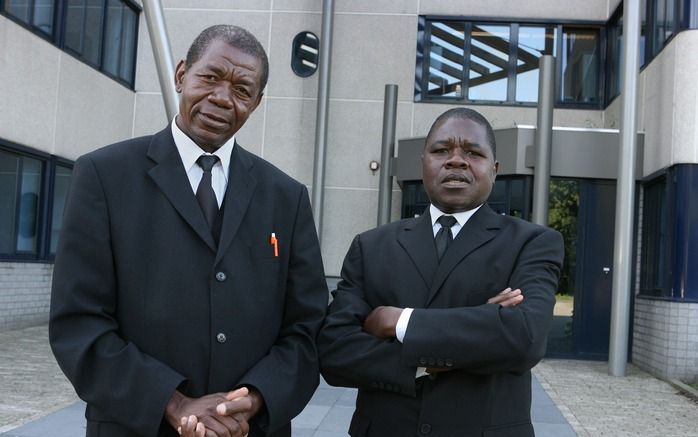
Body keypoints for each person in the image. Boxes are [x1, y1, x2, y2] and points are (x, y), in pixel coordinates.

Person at [49, 25, 328, 437]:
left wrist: (254, 398)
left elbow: (307, 329)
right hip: (134, 427)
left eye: (241, 89)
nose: (221, 97)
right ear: (182, 74)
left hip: (248, 429)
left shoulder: (287, 197)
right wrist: (174, 403)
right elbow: (78, 324)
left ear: (256, 103)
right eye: (210, 77)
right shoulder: (104, 176)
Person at [317, 107, 564, 437]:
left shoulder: (532, 243)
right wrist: (436, 355)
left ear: (495, 169)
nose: (457, 160)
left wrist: (398, 321)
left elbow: (524, 338)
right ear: (423, 163)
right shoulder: (371, 246)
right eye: (441, 150)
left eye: (473, 152)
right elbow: (335, 352)